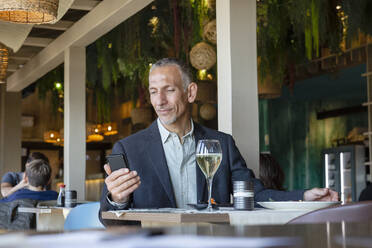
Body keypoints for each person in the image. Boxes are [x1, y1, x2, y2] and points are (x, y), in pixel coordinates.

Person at [100, 58, 338, 221]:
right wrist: (118, 200)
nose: (159, 101)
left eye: (169, 90)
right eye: (153, 92)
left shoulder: (221, 143)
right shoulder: (128, 149)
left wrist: (303, 197)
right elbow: (107, 217)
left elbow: (254, 194)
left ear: (190, 92)